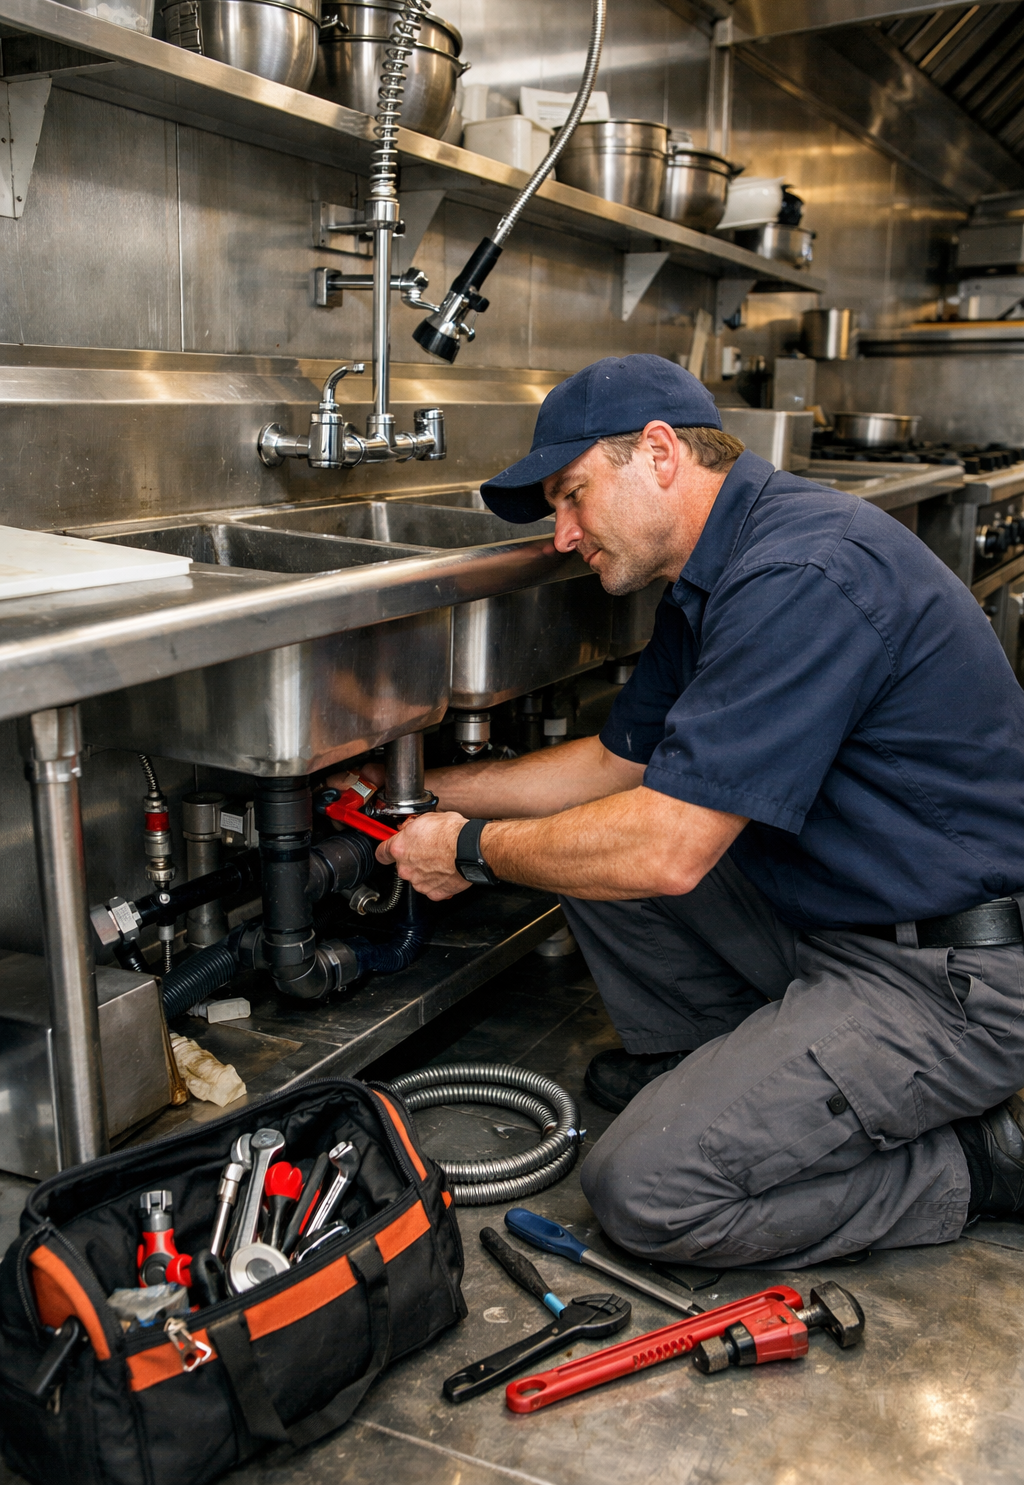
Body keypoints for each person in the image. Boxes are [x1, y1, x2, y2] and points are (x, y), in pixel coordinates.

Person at [367, 353, 1024, 1268]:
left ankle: (984, 1161)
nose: (563, 535)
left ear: (662, 452)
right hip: (837, 916)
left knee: (647, 1195)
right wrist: (420, 794)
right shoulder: (713, 567)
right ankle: (710, 1068)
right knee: (587, 847)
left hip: (953, 980)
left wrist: (470, 851)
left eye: (573, 495)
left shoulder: (803, 569)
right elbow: (613, 766)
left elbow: (669, 851)